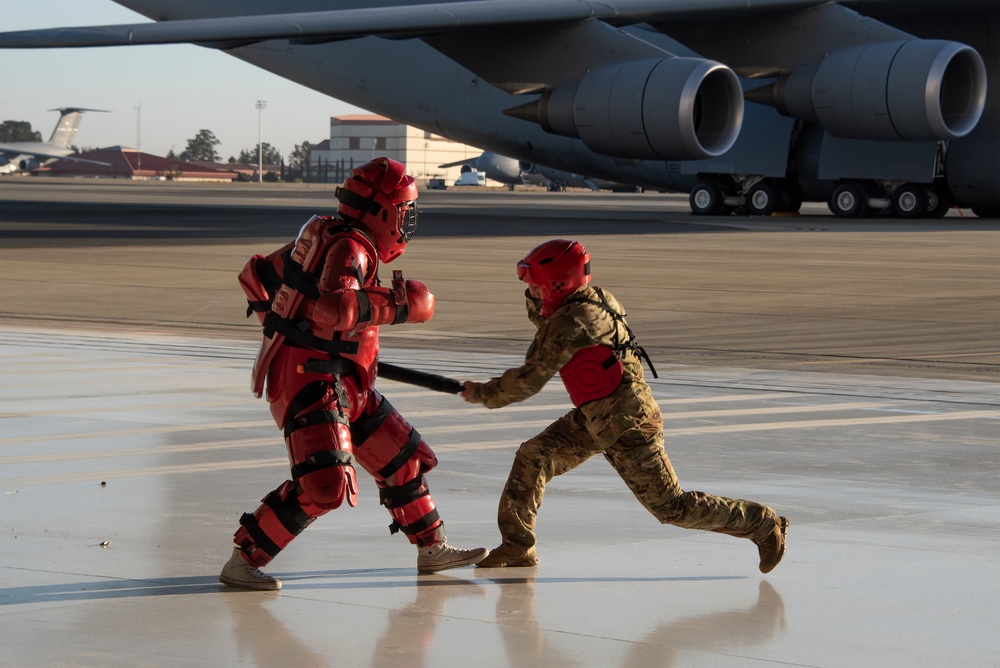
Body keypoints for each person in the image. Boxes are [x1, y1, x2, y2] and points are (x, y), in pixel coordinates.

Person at [220, 157, 487, 590]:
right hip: (313, 383)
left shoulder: (324, 235)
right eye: (403, 212)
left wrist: (288, 321)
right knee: (323, 483)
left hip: (345, 381)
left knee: (401, 459)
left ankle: (432, 550)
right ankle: (243, 560)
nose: (406, 222)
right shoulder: (351, 249)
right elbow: (338, 307)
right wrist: (406, 303)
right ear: (382, 211)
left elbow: (257, 278)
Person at [461, 239, 787, 572]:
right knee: (535, 455)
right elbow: (551, 325)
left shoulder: (571, 323)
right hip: (597, 417)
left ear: (556, 283)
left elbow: (528, 379)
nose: (531, 292)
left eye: (535, 286)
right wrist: (536, 301)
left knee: (672, 507)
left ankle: (762, 523)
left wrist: (482, 393)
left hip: (629, 424)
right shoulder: (595, 299)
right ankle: (517, 547)